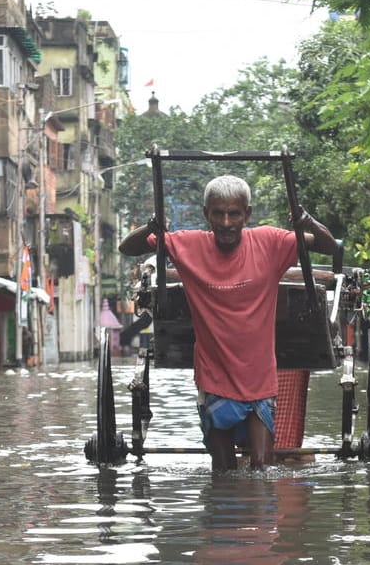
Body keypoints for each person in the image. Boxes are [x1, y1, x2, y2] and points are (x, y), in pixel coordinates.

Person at [118, 174, 335, 471]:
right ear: (206, 214)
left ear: (247, 214)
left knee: (262, 467)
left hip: (259, 379)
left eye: (234, 213)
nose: (226, 222)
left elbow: (329, 246)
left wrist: (307, 222)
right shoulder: (188, 245)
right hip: (214, 378)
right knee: (223, 471)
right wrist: (150, 227)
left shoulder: (270, 242)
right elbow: (127, 248)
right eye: (218, 213)